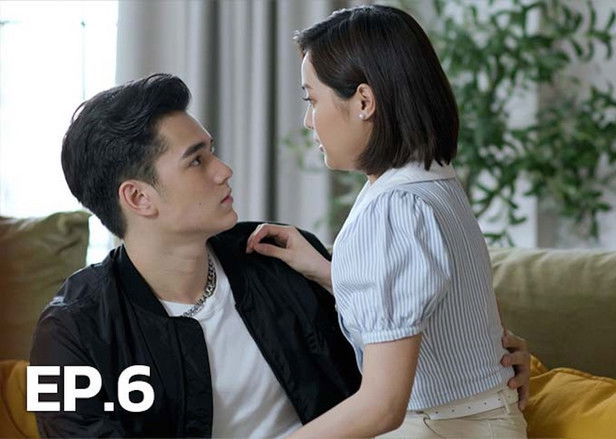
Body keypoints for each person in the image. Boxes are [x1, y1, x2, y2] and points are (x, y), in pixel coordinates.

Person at [29, 73, 530, 438]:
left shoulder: (281, 258)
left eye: (212, 150)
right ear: (139, 198)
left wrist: (492, 367)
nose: (224, 170)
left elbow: (397, 335)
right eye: (197, 161)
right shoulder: (70, 331)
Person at [245, 4, 528, 439]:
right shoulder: (432, 181)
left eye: (312, 100)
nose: (308, 121)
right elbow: (423, 295)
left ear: (364, 101)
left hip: (439, 426)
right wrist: (326, 270)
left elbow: (382, 406)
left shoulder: (395, 207)